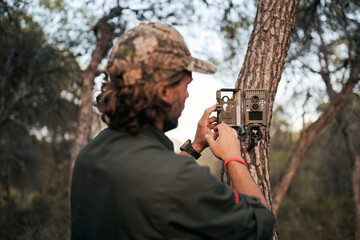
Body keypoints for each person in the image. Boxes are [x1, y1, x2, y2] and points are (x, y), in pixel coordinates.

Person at [70, 22, 275, 240]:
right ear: (165, 91)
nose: (187, 95)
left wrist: (195, 146)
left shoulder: (90, 154)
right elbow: (259, 223)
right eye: (186, 85)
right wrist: (234, 158)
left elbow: (148, 173)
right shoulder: (177, 181)